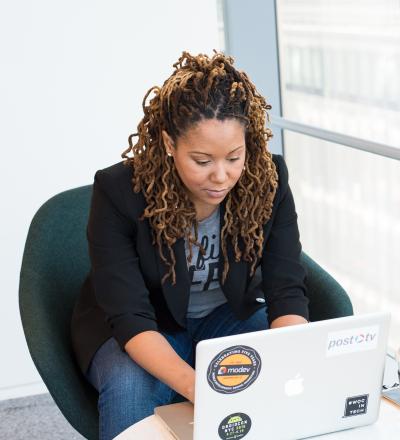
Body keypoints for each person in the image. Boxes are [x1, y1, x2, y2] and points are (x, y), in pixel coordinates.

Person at [70, 51, 310, 439]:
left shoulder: (270, 178)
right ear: (169, 143)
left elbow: (286, 289)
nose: (221, 176)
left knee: (285, 370)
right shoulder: (119, 192)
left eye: (234, 157)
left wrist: (293, 359)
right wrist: (201, 387)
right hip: (144, 324)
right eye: (202, 160)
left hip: (226, 315)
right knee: (132, 384)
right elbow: (130, 315)